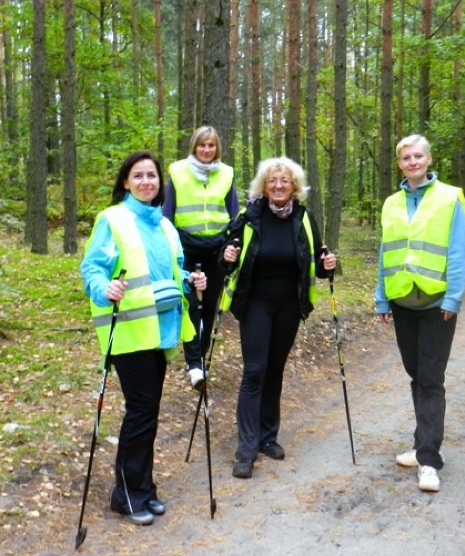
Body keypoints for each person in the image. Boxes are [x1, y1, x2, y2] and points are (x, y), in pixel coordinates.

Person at [80, 151, 207, 526]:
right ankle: (126, 495)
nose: (147, 181)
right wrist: (106, 288)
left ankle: (142, 488)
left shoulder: (165, 226)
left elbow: (174, 270)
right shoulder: (113, 219)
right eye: (139, 176)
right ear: (126, 182)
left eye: (152, 176)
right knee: (140, 411)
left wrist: (191, 281)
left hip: (161, 330)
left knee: (147, 413)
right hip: (129, 331)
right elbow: (92, 267)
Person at [220, 156, 337, 479]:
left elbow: (318, 259)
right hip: (256, 303)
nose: (279, 185)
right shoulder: (249, 216)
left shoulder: (304, 218)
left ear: (294, 186)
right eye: (273, 180)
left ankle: (267, 437)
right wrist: (226, 256)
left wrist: (329, 265)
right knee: (255, 371)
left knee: (275, 370)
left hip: (289, 304)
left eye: (285, 181)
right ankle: (246, 449)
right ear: (264, 186)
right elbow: (227, 258)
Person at [374, 134, 465, 493]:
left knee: (431, 379)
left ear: (429, 159)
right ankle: (420, 444)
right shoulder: (391, 203)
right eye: (406, 158)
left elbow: (458, 251)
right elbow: (386, 252)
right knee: (417, 375)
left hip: (436, 303)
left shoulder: (449, 197)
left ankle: (429, 460)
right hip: (401, 302)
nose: (412, 162)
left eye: (418, 156)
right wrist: (381, 297)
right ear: (399, 164)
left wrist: (453, 298)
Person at [163, 126, 239, 387]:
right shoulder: (177, 172)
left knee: (209, 306)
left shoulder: (227, 174)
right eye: (202, 145)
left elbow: (234, 215)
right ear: (194, 147)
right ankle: (194, 364)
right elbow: (167, 214)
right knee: (191, 306)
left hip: (216, 250)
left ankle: (201, 357)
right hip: (186, 248)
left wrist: (232, 244)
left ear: (217, 148)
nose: (207, 150)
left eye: (211, 146)